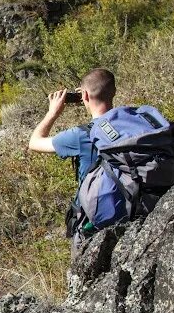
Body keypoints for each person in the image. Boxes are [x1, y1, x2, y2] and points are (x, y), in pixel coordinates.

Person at [27, 67, 116, 234]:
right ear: (114, 92)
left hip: (95, 222)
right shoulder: (130, 124)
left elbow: (34, 142)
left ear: (85, 96)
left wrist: (52, 113)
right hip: (133, 207)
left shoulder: (81, 135)